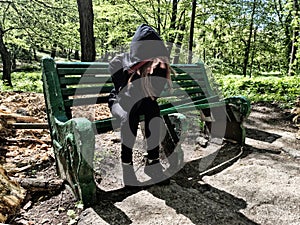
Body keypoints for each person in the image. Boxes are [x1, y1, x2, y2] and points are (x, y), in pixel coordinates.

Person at [108, 24, 173, 187]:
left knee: (154, 110)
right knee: (130, 114)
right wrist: (133, 68)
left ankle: (153, 163)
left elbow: (154, 93)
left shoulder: (158, 66)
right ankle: (127, 167)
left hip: (142, 101)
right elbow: (119, 84)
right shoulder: (123, 60)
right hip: (120, 101)